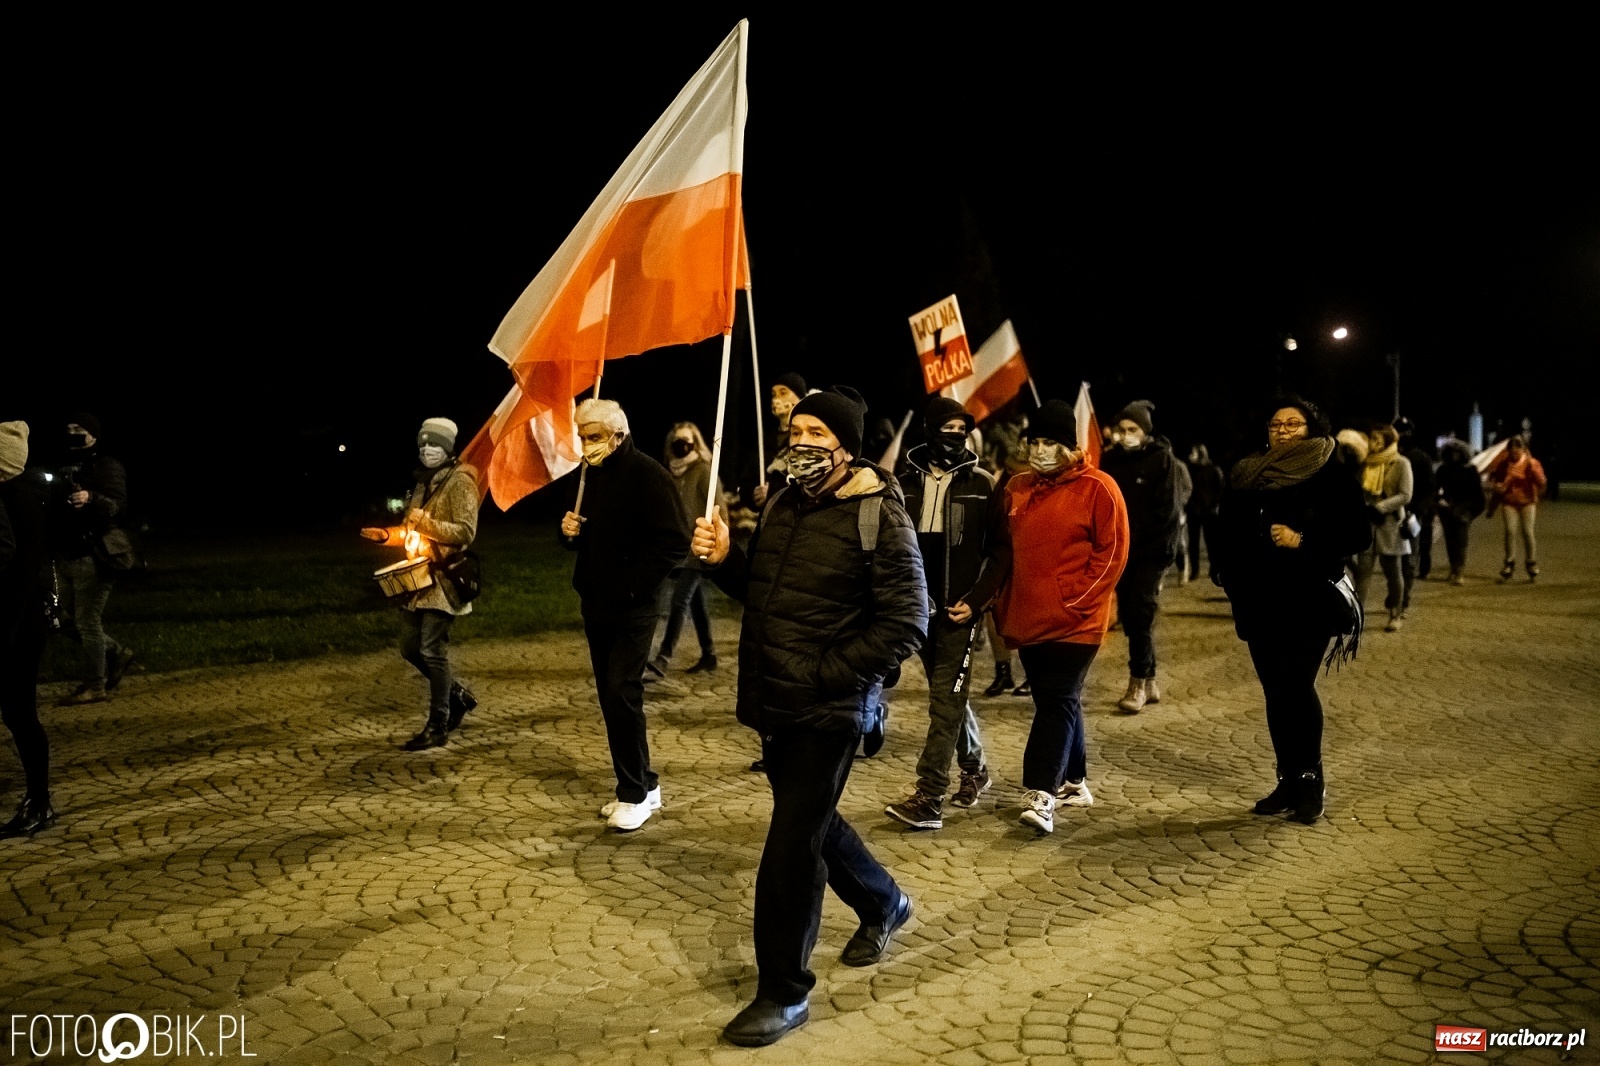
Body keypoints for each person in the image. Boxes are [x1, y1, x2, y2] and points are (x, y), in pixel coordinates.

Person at [692, 386, 926, 1047]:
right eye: (795, 429)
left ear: (845, 447)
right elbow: (763, 594)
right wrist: (724, 563)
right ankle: (885, 902)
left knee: (791, 845)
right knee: (815, 823)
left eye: (816, 431)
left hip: (829, 707)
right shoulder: (785, 505)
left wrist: (830, 674)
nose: (801, 442)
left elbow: (908, 620)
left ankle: (783, 992)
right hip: (775, 701)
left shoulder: (879, 513)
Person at [960, 399, 1129, 834]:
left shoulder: (1100, 487)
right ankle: (1074, 782)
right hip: (1028, 618)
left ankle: (1041, 794)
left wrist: (1076, 600)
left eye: (1050, 441)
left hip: (1078, 622)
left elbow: (1111, 555)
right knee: (1058, 699)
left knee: (1054, 702)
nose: (1039, 449)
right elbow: (998, 549)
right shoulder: (1016, 486)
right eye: (1034, 440)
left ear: (1070, 445)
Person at [1214, 397, 1370, 825]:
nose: (1282, 431)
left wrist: (1305, 541)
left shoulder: (1330, 473)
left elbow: (1359, 534)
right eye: (1276, 425)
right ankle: (1286, 779)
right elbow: (1224, 526)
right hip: (1257, 600)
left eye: (1293, 425)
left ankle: (1310, 778)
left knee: (1294, 686)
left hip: (1307, 601)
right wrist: (1228, 567)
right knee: (1274, 692)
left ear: (1313, 430)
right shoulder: (1248, 473)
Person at [559, 399, 688, 831]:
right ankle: (640, 784)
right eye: (581, 436)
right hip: (595, 601)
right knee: (610, 697)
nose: (586, 445)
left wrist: (634, 584)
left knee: (621, 691)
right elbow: (597, 536)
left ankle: (634, 794)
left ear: (618, 435)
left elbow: (673, 541)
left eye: (593, 436)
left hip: (633, 605)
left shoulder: (649, 475)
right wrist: (571, 535)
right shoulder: (591, 476)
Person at [883, 397, 996, 831]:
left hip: (960, 615)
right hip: (918, 612)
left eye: (960, 429)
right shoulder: (902, 484)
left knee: (945, 703)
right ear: (929, 432)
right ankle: (975, 769)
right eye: (947, 428)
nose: (955, 436)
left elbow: (1000, 551)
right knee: (948, 695)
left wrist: (978, 599)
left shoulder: (983, 484)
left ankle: (929, 795)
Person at [360, 418, 480, 752]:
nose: (428, 450)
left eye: (435, 445)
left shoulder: (460, 481)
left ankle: (438, 724)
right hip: (417, 580)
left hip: (443, 580)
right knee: (409, 648)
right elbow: (409, 530)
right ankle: (457, 695)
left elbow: (466, 532)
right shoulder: (422, 483)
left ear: (448, 448)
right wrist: (386, 536)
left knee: (431, 649)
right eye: (424, 444)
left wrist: (425, 522)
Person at [1099, 400, 1181, 712]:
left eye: (1133, 429)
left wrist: (1154, 549)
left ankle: (1137, 684)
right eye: (1121, 429)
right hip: (1122, 552)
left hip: (1152, 552)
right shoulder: (1111, 459)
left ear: (1145, 433)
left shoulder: (1162, 459)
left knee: (1140, 612)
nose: (1126, 434)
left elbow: (1167, 513)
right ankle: (1150, 679)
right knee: (1133, 618)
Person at [51, 413, 136, 705]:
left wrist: (91, 497)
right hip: (64, 554)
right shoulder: (62, 468)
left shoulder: (107, 466)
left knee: (87, 621)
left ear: (94, 435)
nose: (73, 433)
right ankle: (115, 652)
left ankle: (95, 684)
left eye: (79, 429)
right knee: (57, 618)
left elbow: (117, 508)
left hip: (94, 554)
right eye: (69, 428)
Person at [1, 422, 57, 837]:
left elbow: (17, 570)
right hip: (24, 619)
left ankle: (40, 802)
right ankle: (39, 800)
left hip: (16, 621)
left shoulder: (15, 499)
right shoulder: (30, 494)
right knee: (20, 713)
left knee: (20, 713)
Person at [647, 422, 721, 679]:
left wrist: (715, 544)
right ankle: (709, 654)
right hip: (680, 549)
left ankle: (663, 657)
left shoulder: (703, 471)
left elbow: (718, 509)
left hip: (700, 547)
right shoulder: (672, 474)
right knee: (695, 601)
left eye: (686, 440)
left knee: (679, 600)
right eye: (677, 440)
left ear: (695, 442)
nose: (681, 445)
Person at [1352, 424, 1414, 632]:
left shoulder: (1401, 463)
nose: (1373, 444)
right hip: (1367, 525)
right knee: (1363, 573)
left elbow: (1406, 495)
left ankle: (1395, 612)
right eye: (1372, 440)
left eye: (1378, 440)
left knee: (1393, 572)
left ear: (1388, 441)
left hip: (1390, 525)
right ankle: (1356, 615)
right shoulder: (1365, 464)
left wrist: (1380, 507)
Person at [1487, 435, 1546, 582]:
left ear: (1523, 449)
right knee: (1510, 531)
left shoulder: (1531, 463)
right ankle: (1509, 562)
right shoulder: (1503, 465)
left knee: (1527, 532)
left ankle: (1531, 562)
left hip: (1527, 502)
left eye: (1517, 449)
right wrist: (1492, 506)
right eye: (1511, 450)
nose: (1514, 452)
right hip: (1510, 502)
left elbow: (1542, 483)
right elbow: (1496, 484)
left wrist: (1533, 470)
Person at [751, 371, 807, 508]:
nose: (776, 399)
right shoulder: (764, 440)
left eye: (783, 393)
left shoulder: (806, 439)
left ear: (799, 398)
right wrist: (753, 494)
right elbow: (748, 478)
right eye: (774, 394)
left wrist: (772, 493)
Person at [1435, 439, 1486, 585]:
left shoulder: (1470, 471)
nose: (1454, 455)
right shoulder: (1443, 470)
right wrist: (1439, 499)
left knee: (1461, 541)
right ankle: (1453, 568)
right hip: (1447, 509)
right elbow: (1435, 488)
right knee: (1450, 541)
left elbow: (1479, 495)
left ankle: (1459, 571)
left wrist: (1470, 512)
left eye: (1457, 452)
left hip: (1465, 509)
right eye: (1451, 452)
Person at [1394, 417, 1438, 580]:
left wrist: (1422, 507)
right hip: (1397, 510)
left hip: (1416, 510)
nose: (1402, 435)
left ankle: (1420, 572)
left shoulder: (1420, 457)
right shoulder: (1391, 456)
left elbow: (1430, 486)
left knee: (1418, 547)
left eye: (1405, 432)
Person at [1184, 444, 1225, 582]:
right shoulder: (1190, 470)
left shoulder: (1212, 470)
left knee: (1211, 542)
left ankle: (1214, 568)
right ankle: (1194, 570)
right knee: (1193, 543)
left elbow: (1219, 489)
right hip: (1194, 511)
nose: (1190, 456)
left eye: (1193, 453)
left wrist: (1214, 505)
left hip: (1209, 512)